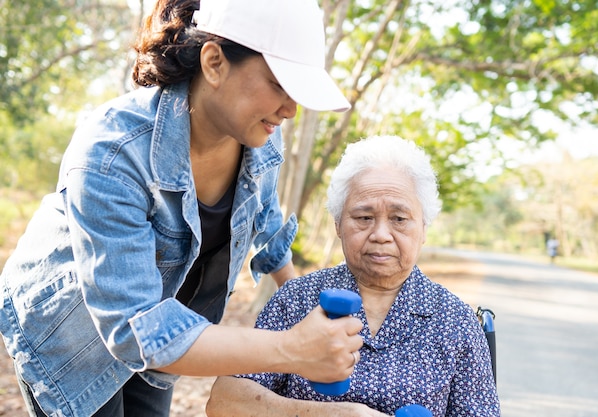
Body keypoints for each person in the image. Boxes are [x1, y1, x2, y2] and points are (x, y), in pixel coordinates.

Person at [0, 0, 364, 416]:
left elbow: (265, 220)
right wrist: (292, 350)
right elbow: (136, 331)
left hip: (169, 329)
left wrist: (304, 309)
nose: (290, 110)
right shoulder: (113, 152)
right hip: (72, 333)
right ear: (214, 62)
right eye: (279, 85)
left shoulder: (260, 135)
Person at [205, 135, 501, 417]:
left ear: (423, 228)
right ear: (338, 225)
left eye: (399, 219)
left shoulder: (456, 322)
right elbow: (225, 401)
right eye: (364, 218)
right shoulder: (296, 300)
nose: (381, 235)